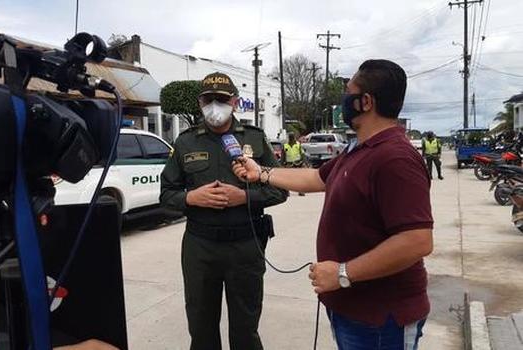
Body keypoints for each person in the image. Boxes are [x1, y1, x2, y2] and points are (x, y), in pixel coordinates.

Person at [233, 60, 433, 350]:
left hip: (380, 319)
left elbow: (417, 241)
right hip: (351, 310)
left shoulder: (395, 158)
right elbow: (316, 177)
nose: (342, 102)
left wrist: (343, 273)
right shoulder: (360, 150)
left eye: (348, 93)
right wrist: (261, 173)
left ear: (365, 102)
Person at [160, 72, 287, 350]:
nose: (215, 104)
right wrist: (192, 197)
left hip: (246, 245)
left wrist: (243, 196)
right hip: (200, 247)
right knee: (201, 328)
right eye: (209, 99)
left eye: (222, 99)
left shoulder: (254, 138)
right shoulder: (185, 142)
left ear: (234, 101)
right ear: (200, 102)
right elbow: (166, 196)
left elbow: (280, 189)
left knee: (245, 329)